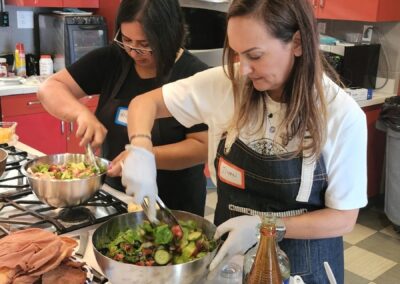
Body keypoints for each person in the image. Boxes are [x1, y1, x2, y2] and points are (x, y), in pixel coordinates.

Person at [122, 0, 368, 282]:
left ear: (297, 43)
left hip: (303, 267)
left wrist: (267, 226)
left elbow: (344, 218)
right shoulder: (228, 84)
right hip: (230, 261)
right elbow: (144, 104)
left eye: (255, 55)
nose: (245, 69)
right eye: (238, 54)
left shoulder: (342, 115)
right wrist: (141, 149)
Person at [37, 0, 209, 216]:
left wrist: (145, 156)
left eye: (145, 44)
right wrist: (80, 113)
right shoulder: (112, 59)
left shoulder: (195, 75)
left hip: (174, 207)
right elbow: (50, 88)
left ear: (170, 35)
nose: (134, 52)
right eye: (127, 40)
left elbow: (202, 146)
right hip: (114, 198)